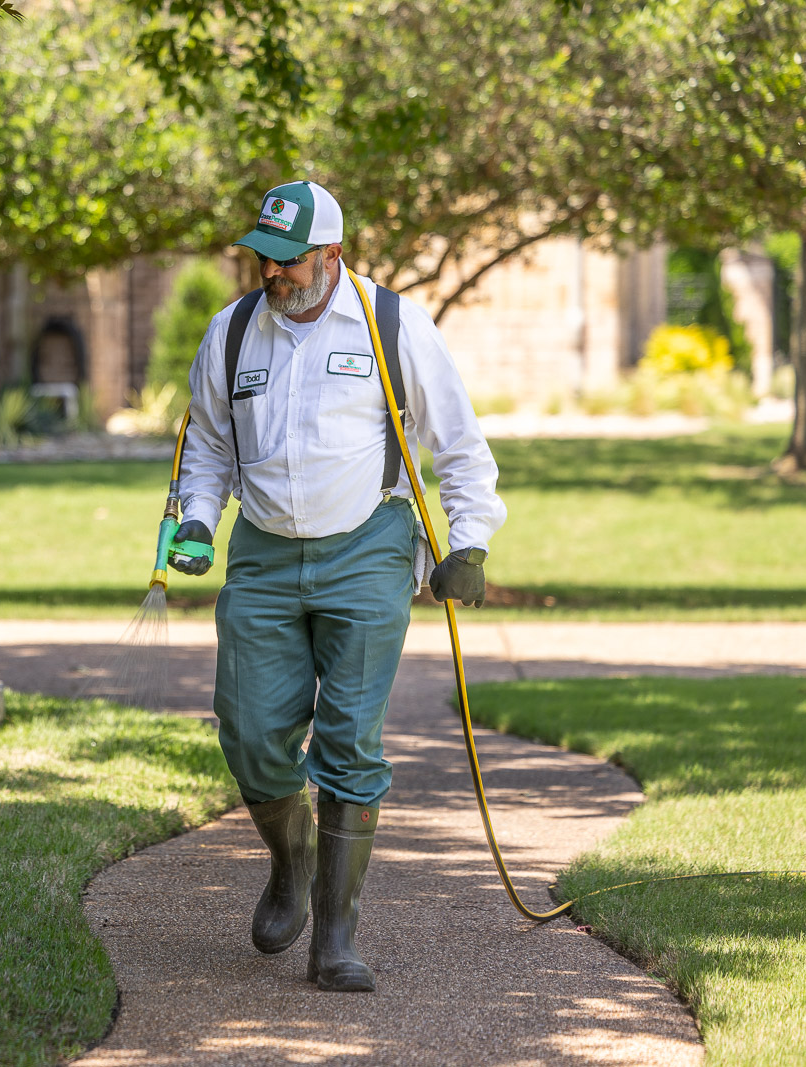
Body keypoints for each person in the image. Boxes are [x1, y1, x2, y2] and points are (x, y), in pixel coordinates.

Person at [170, 180, 505, 992]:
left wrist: (470, 544)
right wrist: (196, 520)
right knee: (249, 733)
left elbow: (458, 445)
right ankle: (291, 865)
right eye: (264, 260)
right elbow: (210, 446)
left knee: (351, 742)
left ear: (332, 255)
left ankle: (336, 938)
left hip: (368, 549)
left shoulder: (394, 325)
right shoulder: (230, 334)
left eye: (289, 262)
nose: (273, 276)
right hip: (263, 554)